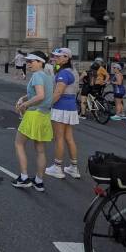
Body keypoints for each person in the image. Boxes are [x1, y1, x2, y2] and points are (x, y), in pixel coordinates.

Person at [12, 51, 54, 192]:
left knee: (19, 144)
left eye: (32, 61)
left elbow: (40, 95)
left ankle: (24, 177)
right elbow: (40, 93)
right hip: (45, 115)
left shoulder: (37, 75)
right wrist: (24, 98)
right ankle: (39, 181)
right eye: (28, 61)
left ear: (41, 62)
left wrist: (25, 105)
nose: (28, 64)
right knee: (40, 150)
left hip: (34, 114)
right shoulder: (48, 76)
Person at [45, 48, 80, 180]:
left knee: (59, 138)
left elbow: (58, 93)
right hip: (71, 106)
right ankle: (74, 167)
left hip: (61, 107)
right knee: (69, 138)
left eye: (59, 57)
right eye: (55, 56)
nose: (56, 58)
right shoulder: (73, 71)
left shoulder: (63, 73)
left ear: (67, 58)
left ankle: (57, 167)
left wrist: (47, 105)